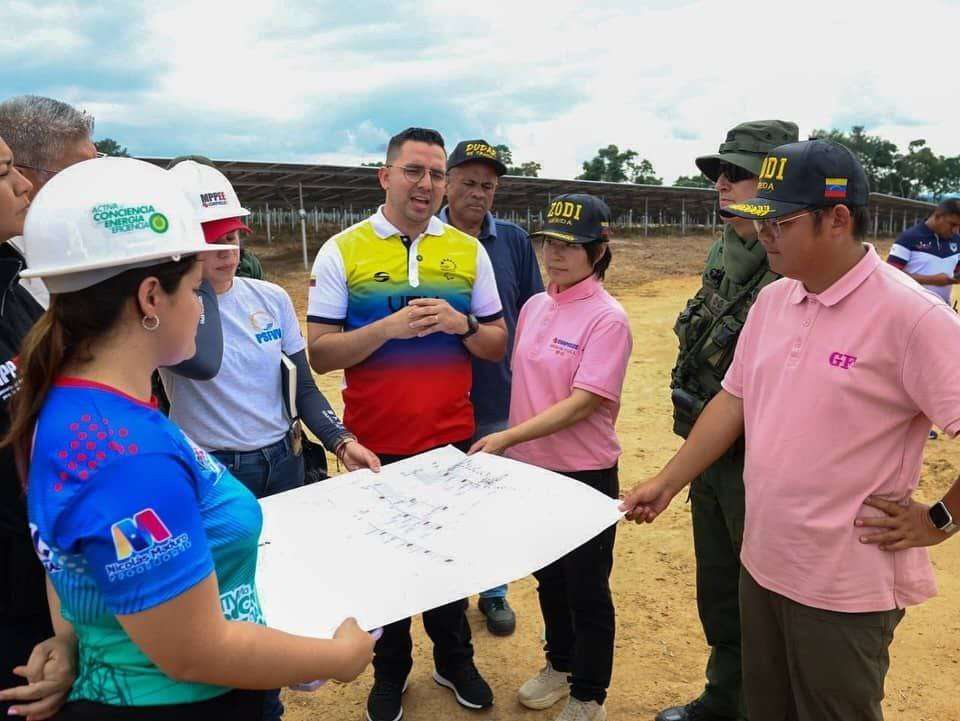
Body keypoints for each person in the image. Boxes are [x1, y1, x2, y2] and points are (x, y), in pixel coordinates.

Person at [2, 157, 376, 720]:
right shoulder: (126, 454)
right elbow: (195, 651)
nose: (205, 310)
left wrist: (74, 639)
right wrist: (338, 655)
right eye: (197, 289)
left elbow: (73, 567)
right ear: (152, 298)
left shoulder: (68, 405)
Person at [621, 139, 960, 721]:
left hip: (841, 587)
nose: (767, 231)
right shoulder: (775, 300)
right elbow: (733, 402)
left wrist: (939, 520)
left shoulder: (915, 318)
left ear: (838, 219)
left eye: (782, 219)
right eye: (763, 218)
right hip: (764, 561)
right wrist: (669, 480)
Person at [307, 127, 506, 721]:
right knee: (386, 569)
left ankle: (453, 659)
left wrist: (461, 324)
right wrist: (386, 331)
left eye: (436, 174)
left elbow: (497, 345)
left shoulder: (469, 252)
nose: (426, 185)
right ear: (385, 176)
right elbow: (319, 352)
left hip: (449, 443)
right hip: (374, 446)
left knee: (450, 560)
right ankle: (390, 671)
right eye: (414, 171)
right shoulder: (343, 250)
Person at [471, 193, 633, 721]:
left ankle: (589, 695)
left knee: (587, 588)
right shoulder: (539, 305)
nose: (555, 254)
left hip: (583, 473)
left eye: (571, 246)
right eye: (549, 242)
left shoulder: (608, 319)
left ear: (599, 250)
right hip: (531, 469)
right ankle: (559, 665)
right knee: (550, 578)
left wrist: (508, 436)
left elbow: (583, 404)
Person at [660, 119, 799, 721]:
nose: (722, 185)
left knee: (764, 597)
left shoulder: (793, 262)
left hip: (763, 460)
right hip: (709, 445)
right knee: (719, 589)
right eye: (720, 173)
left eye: (737, 174)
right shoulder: (728, 247)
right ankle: (724, 697)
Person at [439, 139, 544, 637]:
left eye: (488, 186)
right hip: (438, 399)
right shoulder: (426, 237)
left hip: (498, 395)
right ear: (448, 183)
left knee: (492, 498)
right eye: (468, 183)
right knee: (446, 502)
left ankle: (495, 592)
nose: (478, 194)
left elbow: (536, 311)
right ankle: (451, 595)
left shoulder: (514, 241)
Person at [0, 136, 77, 721]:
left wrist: (64, 627)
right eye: (5, 172)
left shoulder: (17, 294)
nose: (24, 185)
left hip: (44, 593)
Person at [0, 95, 98, 309]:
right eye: (81, 174)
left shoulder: (89, 244)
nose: (97, 184)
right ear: (27, 175)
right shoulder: (20, 276)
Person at [165, 155, 264, 280]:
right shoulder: (165, 282)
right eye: (211, 242)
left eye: (230, 237)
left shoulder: (248, 266)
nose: (226, 252)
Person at [887, 198, 960, 304]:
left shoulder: (957, 240)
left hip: (942, 310)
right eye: (953, 224)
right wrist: (930, 280)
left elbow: (957, 270)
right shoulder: (909, 238)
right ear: (938, 216)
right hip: (910, 309)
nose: (956, 230)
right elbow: (889, 275)